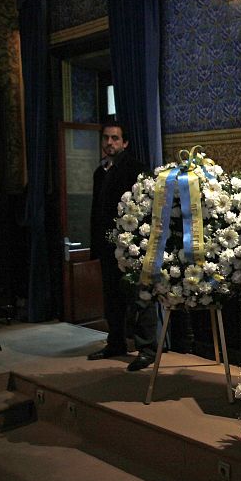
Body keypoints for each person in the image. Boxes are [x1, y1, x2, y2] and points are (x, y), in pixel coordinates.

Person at [88, 121, 157, 371]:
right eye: (106, 138)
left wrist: (137, 243)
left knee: (140, 297)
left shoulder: (135, 169)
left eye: (115, 138)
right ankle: (115, 341)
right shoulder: (100, 171)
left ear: (124, 142)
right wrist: (95, 245)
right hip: (108, 246)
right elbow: (97, 211)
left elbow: (145, 208)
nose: (109, 143)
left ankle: (147, 348)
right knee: (112, 297)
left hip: (131, 246)